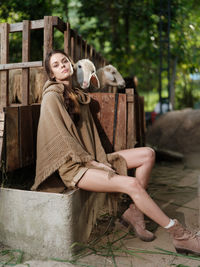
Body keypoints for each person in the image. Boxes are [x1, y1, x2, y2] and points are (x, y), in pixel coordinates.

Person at [31, 49, 200, 255]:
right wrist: (93, 163)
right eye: (56, 65)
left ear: (72, 64)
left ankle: (134, 213)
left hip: (92, 158)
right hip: (74, 168)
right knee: (132, 184)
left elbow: (88, 123)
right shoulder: (52, 96)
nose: (62, 66)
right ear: (52, 74)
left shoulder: (76, 94)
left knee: (148, 153)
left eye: (65, 61)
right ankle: (180, 235)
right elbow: (60, 137)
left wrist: (97, 160)